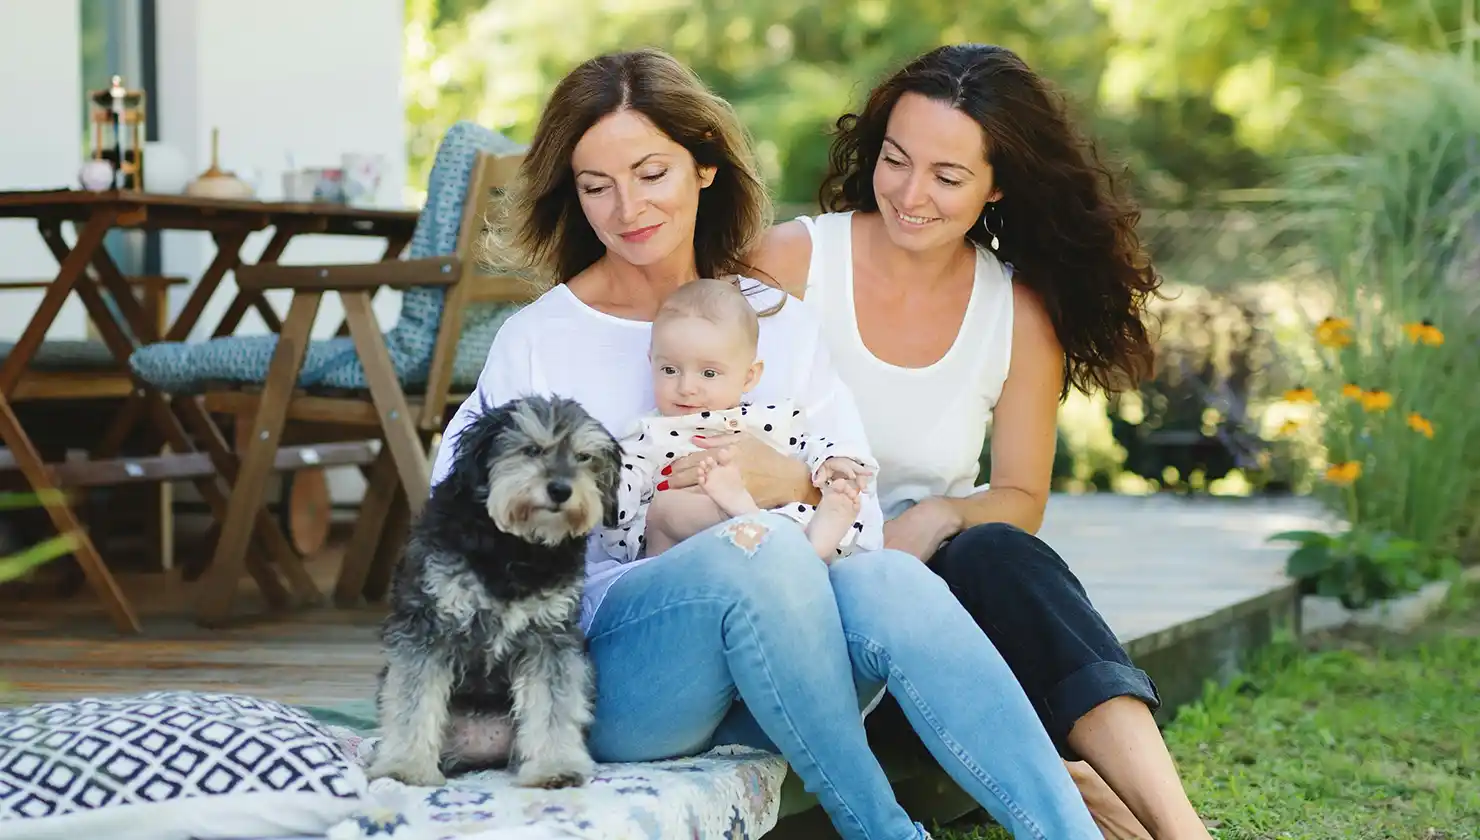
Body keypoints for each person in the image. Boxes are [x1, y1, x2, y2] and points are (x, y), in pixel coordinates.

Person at [431, 48, 1102, 840]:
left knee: (891, 578)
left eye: (651, 173)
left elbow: (861, 524)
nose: (627, 207)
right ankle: (883, 830)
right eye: (596, 185)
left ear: (704, 167)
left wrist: (789, 480)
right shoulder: (542, 340)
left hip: (781, 672)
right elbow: (458, 537)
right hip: (615, 681)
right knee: (755, 548)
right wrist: (643, 519)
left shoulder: (776, 323)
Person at [704, 43, 1210, 839]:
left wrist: (940, 514)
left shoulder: (1017, 313)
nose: (911, 195)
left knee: (1000, 553)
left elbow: (1021, 497)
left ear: (997, 185)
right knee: (919, 597)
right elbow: (713, 433)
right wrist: (840, 511)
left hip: (936, 609)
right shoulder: (788, 265)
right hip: (798, 598)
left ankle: (1182, 829)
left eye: (947, 176)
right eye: (896, 160)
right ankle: (1072, 780)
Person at [599, 276, 881, 563]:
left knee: (795, 512)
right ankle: (750, 520)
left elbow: (807, 447)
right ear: (652, 363)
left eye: (709, 373)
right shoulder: (650, 433)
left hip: (764, 546)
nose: (686, 387)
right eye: (670, 370)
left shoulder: (766, 420)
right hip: (683, 559)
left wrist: (831, 461)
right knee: (670, 505)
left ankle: (808, 543)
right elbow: (619, 493)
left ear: (749, 377)